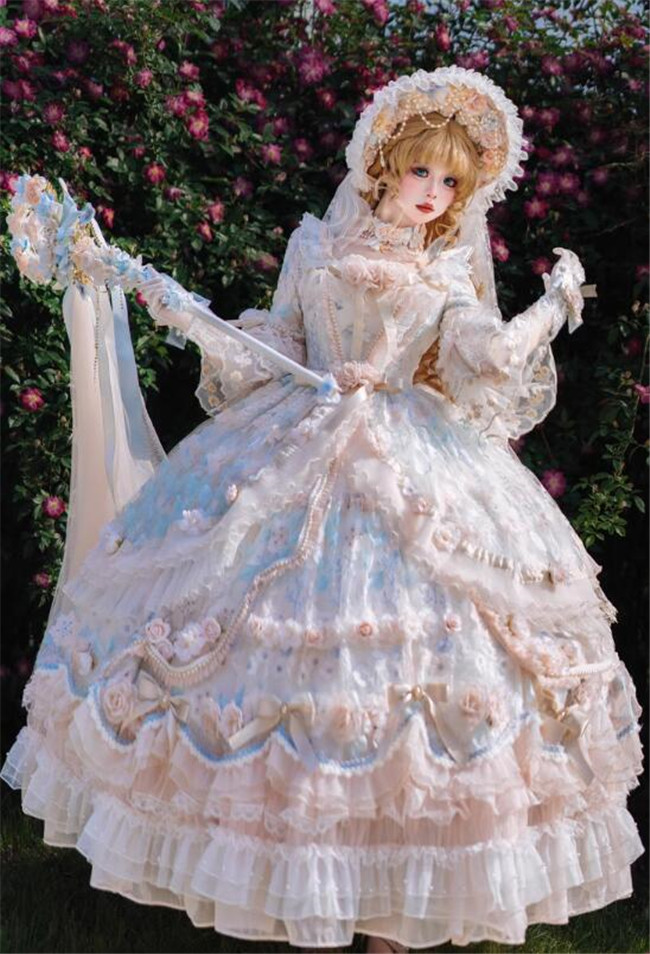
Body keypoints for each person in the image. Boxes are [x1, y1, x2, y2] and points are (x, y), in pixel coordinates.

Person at [2, 66, 644, 953]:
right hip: (295, 434)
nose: (434, 192)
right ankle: (284, 874)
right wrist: (196, 318)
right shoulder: (313, 244)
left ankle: (394, 912)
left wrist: (550, 305)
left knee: (414, 662)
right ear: (382, 165)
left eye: (451, 181)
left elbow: (490, 359)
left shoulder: (448, 271)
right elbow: (275, 344)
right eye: (421, 170)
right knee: (260, 637)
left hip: (412, 456)